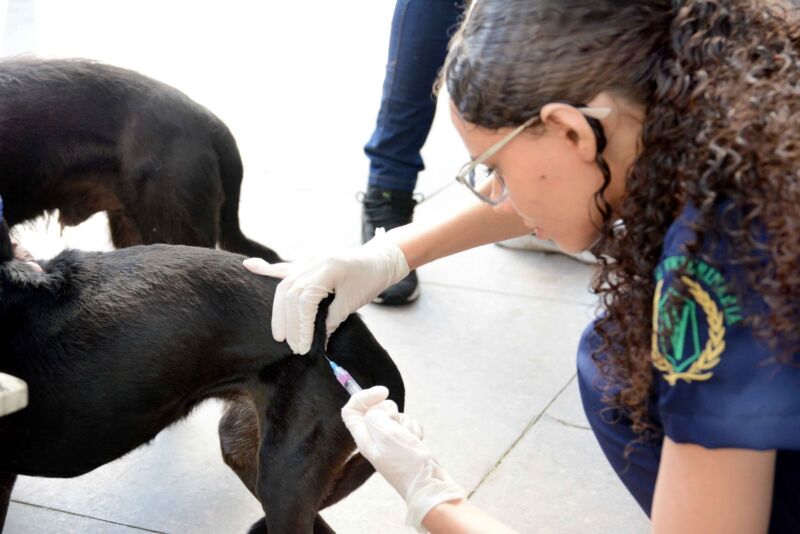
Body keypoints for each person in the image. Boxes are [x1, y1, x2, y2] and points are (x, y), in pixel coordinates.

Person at [244, 0, 800, 531]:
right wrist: (387, 255)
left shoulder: (720, 267)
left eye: (496, 169)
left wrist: (432, 498)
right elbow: (555, 186)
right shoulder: (751, 117)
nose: (497, 195)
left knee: (612, 366)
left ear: (574, 131)